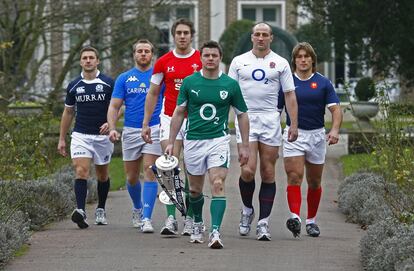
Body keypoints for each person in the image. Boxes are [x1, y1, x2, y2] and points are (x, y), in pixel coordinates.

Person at [165, 40, 249, 249]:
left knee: (217, 183)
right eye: (207, 56)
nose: (211, 59)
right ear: (201, 58)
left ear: (220, 58)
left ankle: (215, 232)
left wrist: (244, 145)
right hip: (193, 141)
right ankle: (198, 223)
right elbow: (178, 113)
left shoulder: (230, 84)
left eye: (214, 55)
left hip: (218, 141)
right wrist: (170, 141)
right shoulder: (190, 83)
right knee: (194, 190)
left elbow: (242, 115)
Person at [228, 22, 298, 241]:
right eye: (257, 34)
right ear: (252, 38)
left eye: (264, 34)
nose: (260, 38)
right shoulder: (239, 62)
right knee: (247, 171)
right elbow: (228, 93)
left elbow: (289, 95)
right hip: (246, 117)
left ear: (271, 38)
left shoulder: (281, 63)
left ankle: (263, 223)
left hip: (270, 118)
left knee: (268, 172)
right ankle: (247, 210)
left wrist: (293, 124)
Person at [141, 18, 202, 236]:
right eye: (179, 33)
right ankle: (170, 218)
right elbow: (153, 92)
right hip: (169, 117)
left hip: (195, 120)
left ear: (192, 35)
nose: (182, 36)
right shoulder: (163, 62)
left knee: (192, 170)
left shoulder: (200, 60)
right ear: (174, 36)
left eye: (186, 32)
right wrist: (146, 122)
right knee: (169, 167)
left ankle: (191, 218)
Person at [278, 42, 342, 238]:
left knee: (314, 181)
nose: (303, 60)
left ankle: (311, 221)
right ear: (294, 60)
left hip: (316, 136)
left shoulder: (323, 83)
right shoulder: (287, 83)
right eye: (299, 56)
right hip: (294, 134)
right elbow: (276, 110)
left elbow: (336, 109)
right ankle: (295, 218)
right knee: (294, 176)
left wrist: (335, 130)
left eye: (306, 56)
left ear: (312, 60)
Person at [107, 39, 163, 233]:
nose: (143, 54)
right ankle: (137, 207)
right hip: (130, 131)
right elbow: (114, 106)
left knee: (149, 171)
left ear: (152, 55)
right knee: (131, 177)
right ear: (134, 55)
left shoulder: (158, 77)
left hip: (154, 128)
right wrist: (113, 126)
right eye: (139, 51)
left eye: (147, 51)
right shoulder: (124, 78)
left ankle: (147, 218)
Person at [57, 46, 114, 229]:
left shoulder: (108, 83)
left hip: (102, 136)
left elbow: (118, 106)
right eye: (85, 58)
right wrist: (62, 138)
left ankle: (101, 209)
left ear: (97, 61)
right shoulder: (74, 84)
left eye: (91, 57)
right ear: (81, 62)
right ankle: (80, 211)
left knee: (102, 175)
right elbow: (68, 112)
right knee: (81, 170)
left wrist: (110, 123)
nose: (88, 60)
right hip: (81, 134)